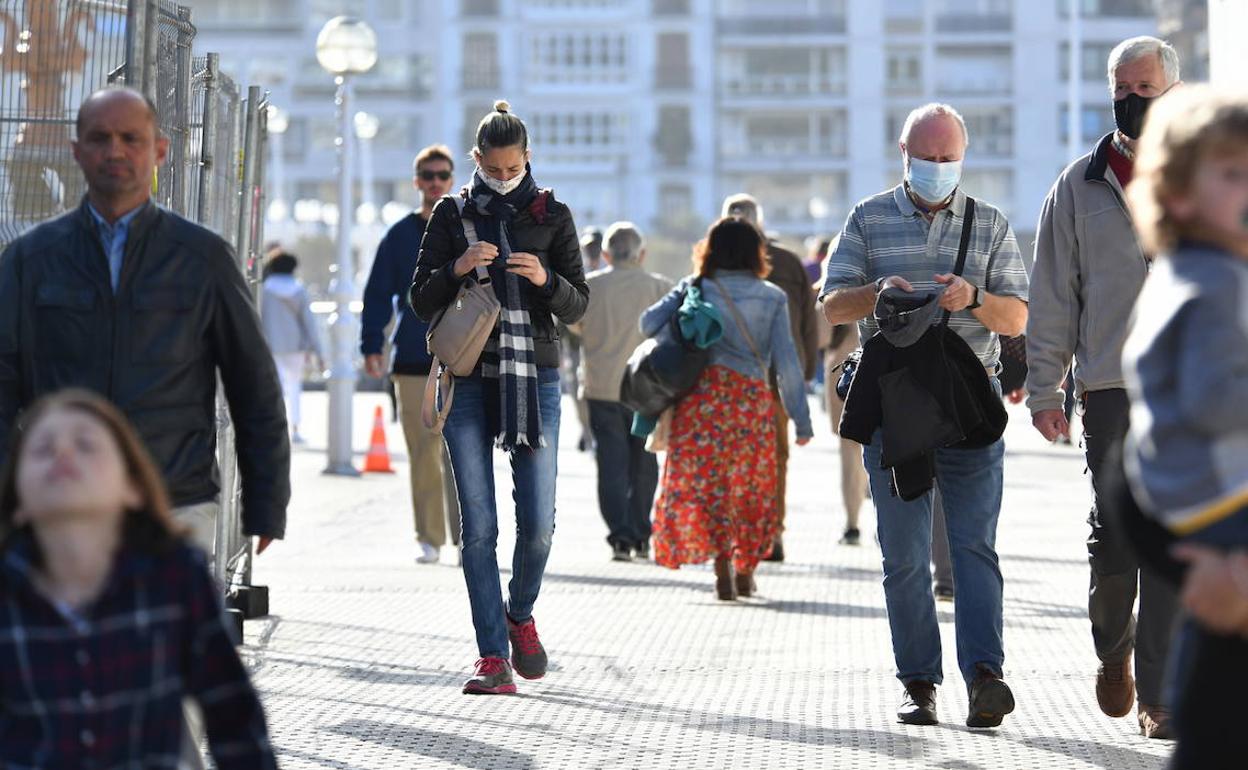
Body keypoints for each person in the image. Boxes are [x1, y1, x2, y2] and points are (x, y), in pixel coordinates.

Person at [0, 86, 289, 559]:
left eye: (130, 138)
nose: (115, 150)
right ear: (77, 151)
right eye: (100, 138)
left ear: (159, 150)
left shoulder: (202, 258)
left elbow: (252, 381)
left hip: (174, 505)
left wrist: (266, 502)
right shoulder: (31, 259)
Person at [820, 102, 1028, 729]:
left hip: (971, 409)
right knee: (905, 556)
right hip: (896, 412)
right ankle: (919, 683)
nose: (939, 168)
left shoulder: (989, 224)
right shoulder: (868, 217)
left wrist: (974, 298)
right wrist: (878, 293)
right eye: (927, 157)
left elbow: (1017, 317)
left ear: (962, 157)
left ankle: (986, 678)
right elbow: (831, 305)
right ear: (903, 154)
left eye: (948, 158)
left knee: (974, 550)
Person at [1025, 36, 1182, 739]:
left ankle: (1159, 695)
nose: (1129, 98)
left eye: (1143, 88)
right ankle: (1111, 647)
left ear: (1171, 92)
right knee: (1117, 540)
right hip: (1111, 387)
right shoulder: (1078, 184)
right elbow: (1053, 294)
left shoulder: (1213, 175)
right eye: (1121, 87)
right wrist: (1043, 389)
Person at [410, 100, 588, 695]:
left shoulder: (554, 212)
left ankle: (519, 614)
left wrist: (545, 280)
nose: (506, 179)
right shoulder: (451, 214)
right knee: (478, 528)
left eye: (515, 169)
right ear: (478, 160)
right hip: (468, 379)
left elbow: (579, 304)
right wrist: (459, 266)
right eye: (496, 169)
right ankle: (492, 655)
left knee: (538, 525)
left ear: (528, 158)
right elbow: (420, 301)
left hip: (534, 377)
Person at [0, 389, 276, 768]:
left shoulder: (175, 578)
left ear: (132, 486)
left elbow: (233, 712)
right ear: (17, 499)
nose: (63, 454)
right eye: (43, 449)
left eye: (86, 445)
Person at [1117, 86, 1248, 768]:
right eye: (1231, 174)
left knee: (1218, 658)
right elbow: (1209, 398)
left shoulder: (1179, 272)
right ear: (1175, 194)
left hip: (1185, 494)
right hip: (1222, 499)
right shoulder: (1216, 280)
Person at [645, 217, 813, 600]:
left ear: (710, 249)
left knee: (709, 486)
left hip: (701, 403)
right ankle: (745, 570)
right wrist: (801, 421)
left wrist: (686, 316)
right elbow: (787, 363)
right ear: (757, 252)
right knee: (749, 487)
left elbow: (647, 323)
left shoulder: (696, 287)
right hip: (749, 405)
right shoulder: (771, 296)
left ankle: (721, 567)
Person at [361, 144, 462, 565]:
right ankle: (430, 538)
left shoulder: (468, 230)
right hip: (412, 359)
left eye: (443, 175)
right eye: (428, 176)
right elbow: (377, 293)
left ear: (452, 180)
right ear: (417, 181)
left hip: (464, 358)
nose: (436, 182)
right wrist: (370, 346)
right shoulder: (399, 235)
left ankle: (467, 539)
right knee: (423, 453)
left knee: (461, 454)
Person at [720, 194, 818, 563]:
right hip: (741, 381)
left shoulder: (786, 263)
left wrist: (804, 373)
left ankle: (768, 532)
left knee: (768, 458)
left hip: (767, 380)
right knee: (747, 459)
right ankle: (748, 533)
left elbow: (808, 323)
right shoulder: (712, 266)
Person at [571, 222, 673, 562]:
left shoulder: (588, 287)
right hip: (645, 390)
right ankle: (642, 533)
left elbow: (575, 326)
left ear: (605, 254)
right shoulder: (660, 287)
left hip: (601, 388)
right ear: (641, 254)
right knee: (644, 463)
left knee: (610, 464)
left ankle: (619, 536)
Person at [261, 250, 323, 445]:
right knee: (294, 387)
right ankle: (295, 428)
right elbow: (309, 323)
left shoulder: (264, 289)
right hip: (295, 346)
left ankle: (274, 427)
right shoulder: (299, 289)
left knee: (274, 388)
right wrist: (318, 352)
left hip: (270, 344)